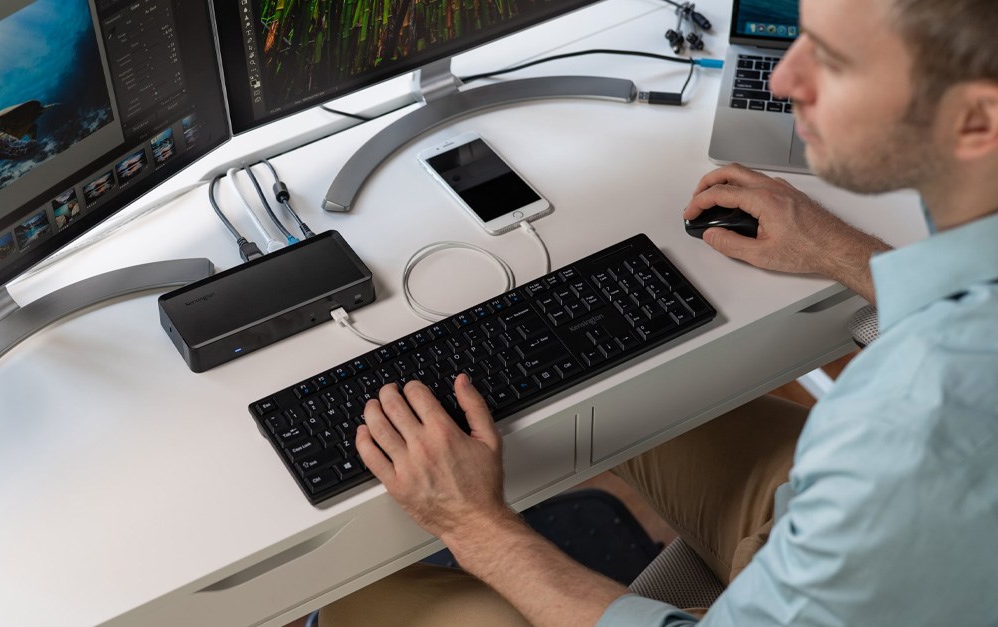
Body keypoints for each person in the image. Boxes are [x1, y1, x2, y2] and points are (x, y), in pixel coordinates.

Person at [320, 0, 998, 624]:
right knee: (637, 394)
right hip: (894, 548)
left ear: (977, 120)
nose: (786, 80)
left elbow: (929, 433)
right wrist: (841, 251)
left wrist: (475, 526)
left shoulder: (913, 424)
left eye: (834, 60)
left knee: (362, 596)